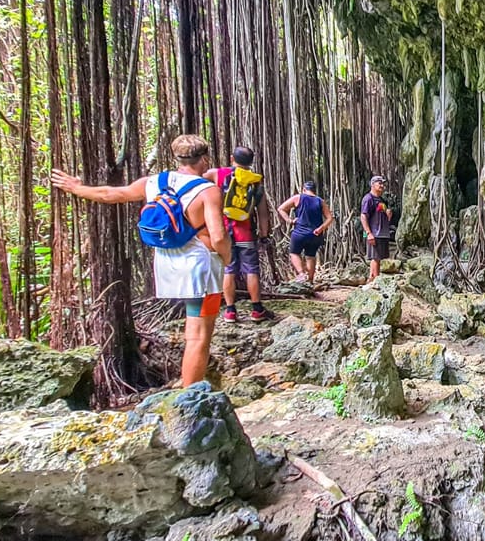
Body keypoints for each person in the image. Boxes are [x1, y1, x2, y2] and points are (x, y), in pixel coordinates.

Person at [50, 134, 230, 387]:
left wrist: (76, 188)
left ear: (176, 158)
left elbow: (112, 194)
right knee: (199, 336)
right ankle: (191, 398)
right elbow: (219, 235)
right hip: (200, 269)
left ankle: (189, 386)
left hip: (166, 264)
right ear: (205, 159)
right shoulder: (208, 191)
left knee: (194, 332)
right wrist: (227, 257)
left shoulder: (153, 182)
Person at [202, 146, 274, 323]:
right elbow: (263, 213)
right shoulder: (256, 182)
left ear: (232, 157)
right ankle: (257, 309)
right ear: (251, 162)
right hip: (246, 234)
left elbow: (194, 181)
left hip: (223, 231)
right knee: (252, 270)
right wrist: (264, 235)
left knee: (229, 269)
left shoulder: (217, 174)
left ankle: (230, 311)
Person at [277, 181, 333, 283]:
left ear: (304, 189)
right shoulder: (320, 201)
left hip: (299, 233)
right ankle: (310, 281)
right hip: (315, 235)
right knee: (311, 256)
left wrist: (289, 221)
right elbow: (330, 218)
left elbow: (281, 208)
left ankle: (302, 274)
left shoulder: (297, 198)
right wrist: (321, 228)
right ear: (314, 190)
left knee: (294, 253)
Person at [360, 175, 392, 283]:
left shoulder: (382, 200)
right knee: (375, 257)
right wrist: (368, 233)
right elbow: (363, 216)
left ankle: (374, 278)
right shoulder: (368, 198)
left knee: (378, 257)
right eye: (380, 183)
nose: (382, 186)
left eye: (383, 184)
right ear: (372, 185)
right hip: (373, 233)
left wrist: (388, 214)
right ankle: (374, 280)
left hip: (382, 233)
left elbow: (385, 217)